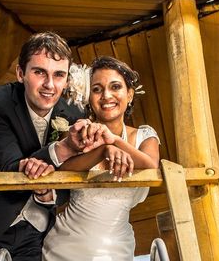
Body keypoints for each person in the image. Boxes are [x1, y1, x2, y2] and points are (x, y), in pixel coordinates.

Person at [0, 32, 92, 261]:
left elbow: (71, 184)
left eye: (59, 75)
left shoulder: (75, 115)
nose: (49, 85)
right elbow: (9, 167)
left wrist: (47, 193)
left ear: (67, 80)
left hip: (39, 234)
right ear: (21, 73)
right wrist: (64, 148)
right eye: (40, 72)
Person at [41, 56, 161, 261]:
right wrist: (103, 150)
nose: (106, 95)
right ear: (89, 97)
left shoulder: (144, 136)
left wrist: (114, 140)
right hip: (64, 247)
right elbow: (62, 170)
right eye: (97, 89)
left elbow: (150, 166)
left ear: (130, 94)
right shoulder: (78, 133)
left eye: (115, 87)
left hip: (116, 248)